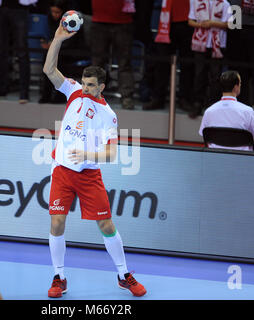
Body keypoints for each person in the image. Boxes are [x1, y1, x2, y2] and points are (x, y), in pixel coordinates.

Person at [42, 23, 147, 298]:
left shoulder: (108, 116)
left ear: (101, 87)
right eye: (84, 83)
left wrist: (88, 154)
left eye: (91, 85)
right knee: (56, 223)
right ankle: (59, 277)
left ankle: (124, 275)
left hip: (89, 174)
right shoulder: (74, 91)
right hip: (63, 169)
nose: (85, 88)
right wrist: (58, 39)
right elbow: (49, 71)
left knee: (107, 225)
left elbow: (112, 154)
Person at [199, 70, 254, 153]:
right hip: (243, 157)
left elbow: (206, 139)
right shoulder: (247, 111)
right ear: (236, 87)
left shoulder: (209, 111)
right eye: (240, 84)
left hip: (216, 155)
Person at [144, 0, 195, 111]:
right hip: (166, 20)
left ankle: (185, 98)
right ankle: (158, 98)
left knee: (187, 64)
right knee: (161, 63)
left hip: (190, 21)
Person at [187, 0, 231, 118]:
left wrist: (212, 23)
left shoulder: (225, 3)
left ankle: (213, 105)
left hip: (217, 44)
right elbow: (190, 21)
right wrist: (201, 25)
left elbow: (229, 24)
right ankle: (197, 103)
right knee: (199, 74)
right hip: (200, 42)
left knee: (216, 76)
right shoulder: (196, 1)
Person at [90, 0, 136, 110]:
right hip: (99, 19)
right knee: (97, 62)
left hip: (123, 20)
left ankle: (126, 96)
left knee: (124, 62)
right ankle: (92, 96)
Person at [0, 0, 32, 103]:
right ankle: (0, 88)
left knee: (22, 52)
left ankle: (24, 92)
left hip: (19, 9)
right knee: (0, 51)